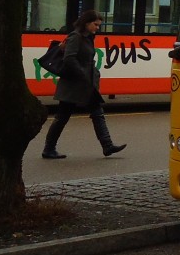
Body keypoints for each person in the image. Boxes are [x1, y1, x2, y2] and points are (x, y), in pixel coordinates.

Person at [41, 9, 127, 159]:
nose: (97, 28)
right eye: (95, 24)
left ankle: (107, 145)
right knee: (62, 116)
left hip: (85, 83)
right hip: (74, 84)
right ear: (86, 23)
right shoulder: (76, 37)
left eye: (99, 25)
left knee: (97, 113)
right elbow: (69, 58)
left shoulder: (87, 37)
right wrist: (82, 74)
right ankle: (49, 148)